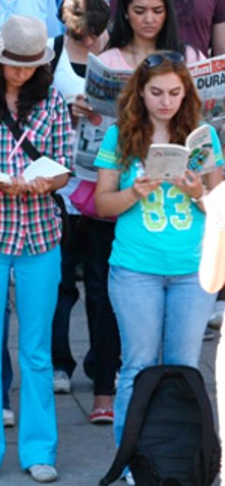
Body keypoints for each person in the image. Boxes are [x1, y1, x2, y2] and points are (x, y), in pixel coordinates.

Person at [0, 14, 72, 483]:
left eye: (29, 65)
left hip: (41, 236)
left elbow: (64, 167)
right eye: (13, 64)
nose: (21, 72)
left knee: (37, 352)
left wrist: (46, 182)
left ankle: (40, 450)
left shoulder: (53, 102)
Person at [93, 53, 223, 448]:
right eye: (156, 92)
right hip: (136, 267)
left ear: (186, 93)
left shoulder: (202, 135)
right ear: (140, 92)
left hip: (192, 268)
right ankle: (132, 456)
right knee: (138, 364)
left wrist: (197, 192)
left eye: (174, 93)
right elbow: (102, 204)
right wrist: (134, 192)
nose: (166, 102)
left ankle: (176, 455)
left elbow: (218, 205)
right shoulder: (120, 135)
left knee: (184, 366)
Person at [48, 0, 115, 420]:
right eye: (80, 35)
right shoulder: (52, 52)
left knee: (101, 284)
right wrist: (63, 109)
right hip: (62, 183)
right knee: (59, 282)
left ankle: (101, 363)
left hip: (104, 181)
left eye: (95, 33)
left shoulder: (117, 53)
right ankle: (59, 362)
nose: (89, 41)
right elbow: (33, 108)